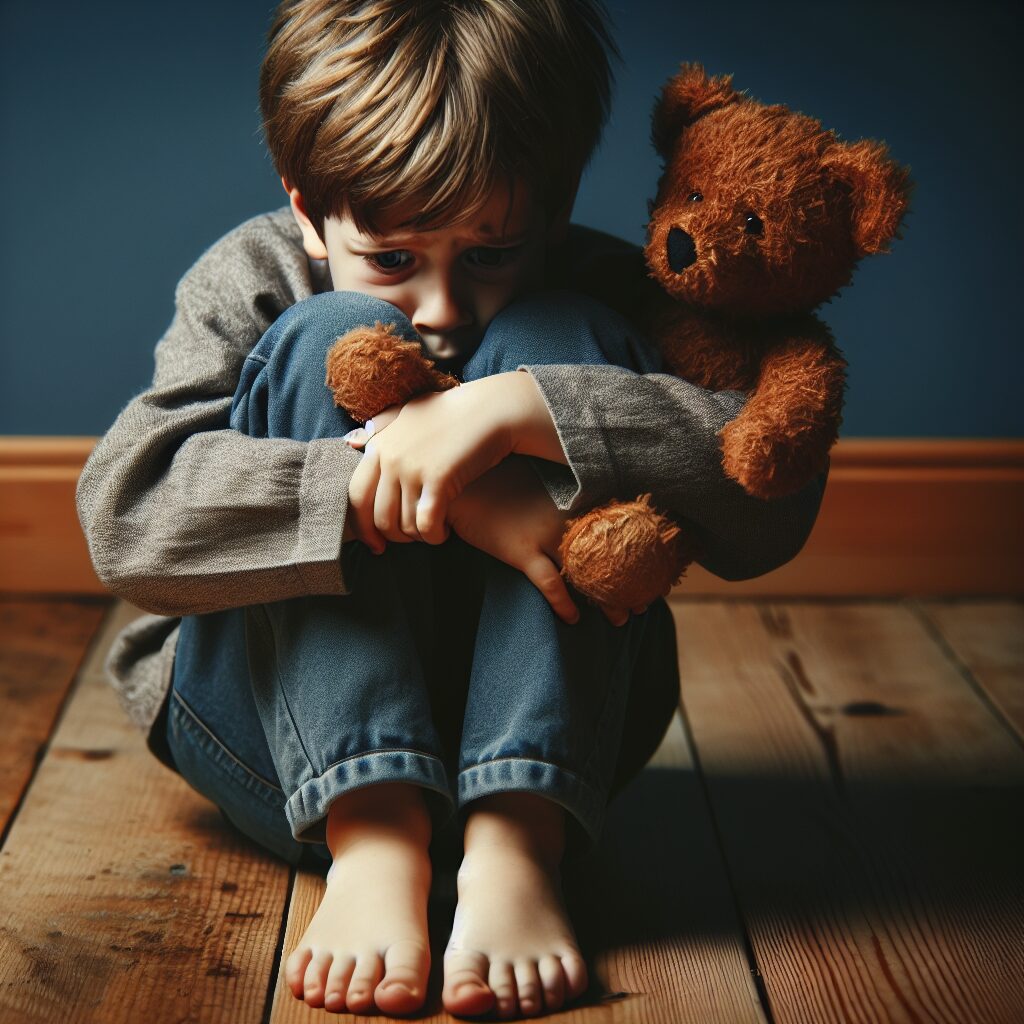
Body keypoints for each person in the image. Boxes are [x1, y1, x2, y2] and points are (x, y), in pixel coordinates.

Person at [77, 0, 828, 1018]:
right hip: (266, 726)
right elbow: (127, 518)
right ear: (307, 206)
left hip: (554, 741)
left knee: (567, 329)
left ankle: (518, 834)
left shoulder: (595, 285)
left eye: (487, 253)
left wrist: (523, 410)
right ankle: (373, 830)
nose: (438, 306)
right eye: (392, 257)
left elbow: (765, 515)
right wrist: (439, 495)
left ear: (552, 206)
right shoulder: (252, 275)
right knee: (324, 333)